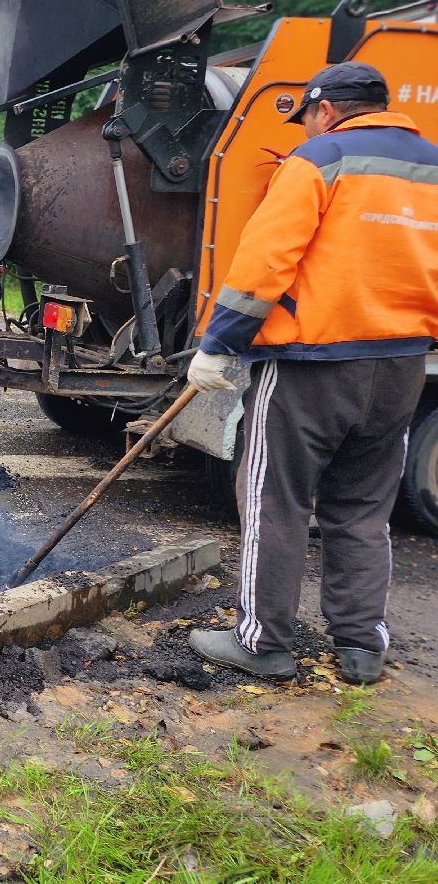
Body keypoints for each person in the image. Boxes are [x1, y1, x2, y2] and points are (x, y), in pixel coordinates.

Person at [186, 61, 438, 686]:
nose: (305, 128)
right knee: (364, 507)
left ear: (325, 110)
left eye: (305, 118)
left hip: (312, 366)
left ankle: (262, 642)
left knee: (275, 498)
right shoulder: (433, 165)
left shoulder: (320, 160)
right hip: (402, 364)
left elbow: (267, 259)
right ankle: (361, 645)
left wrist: (218, 343)